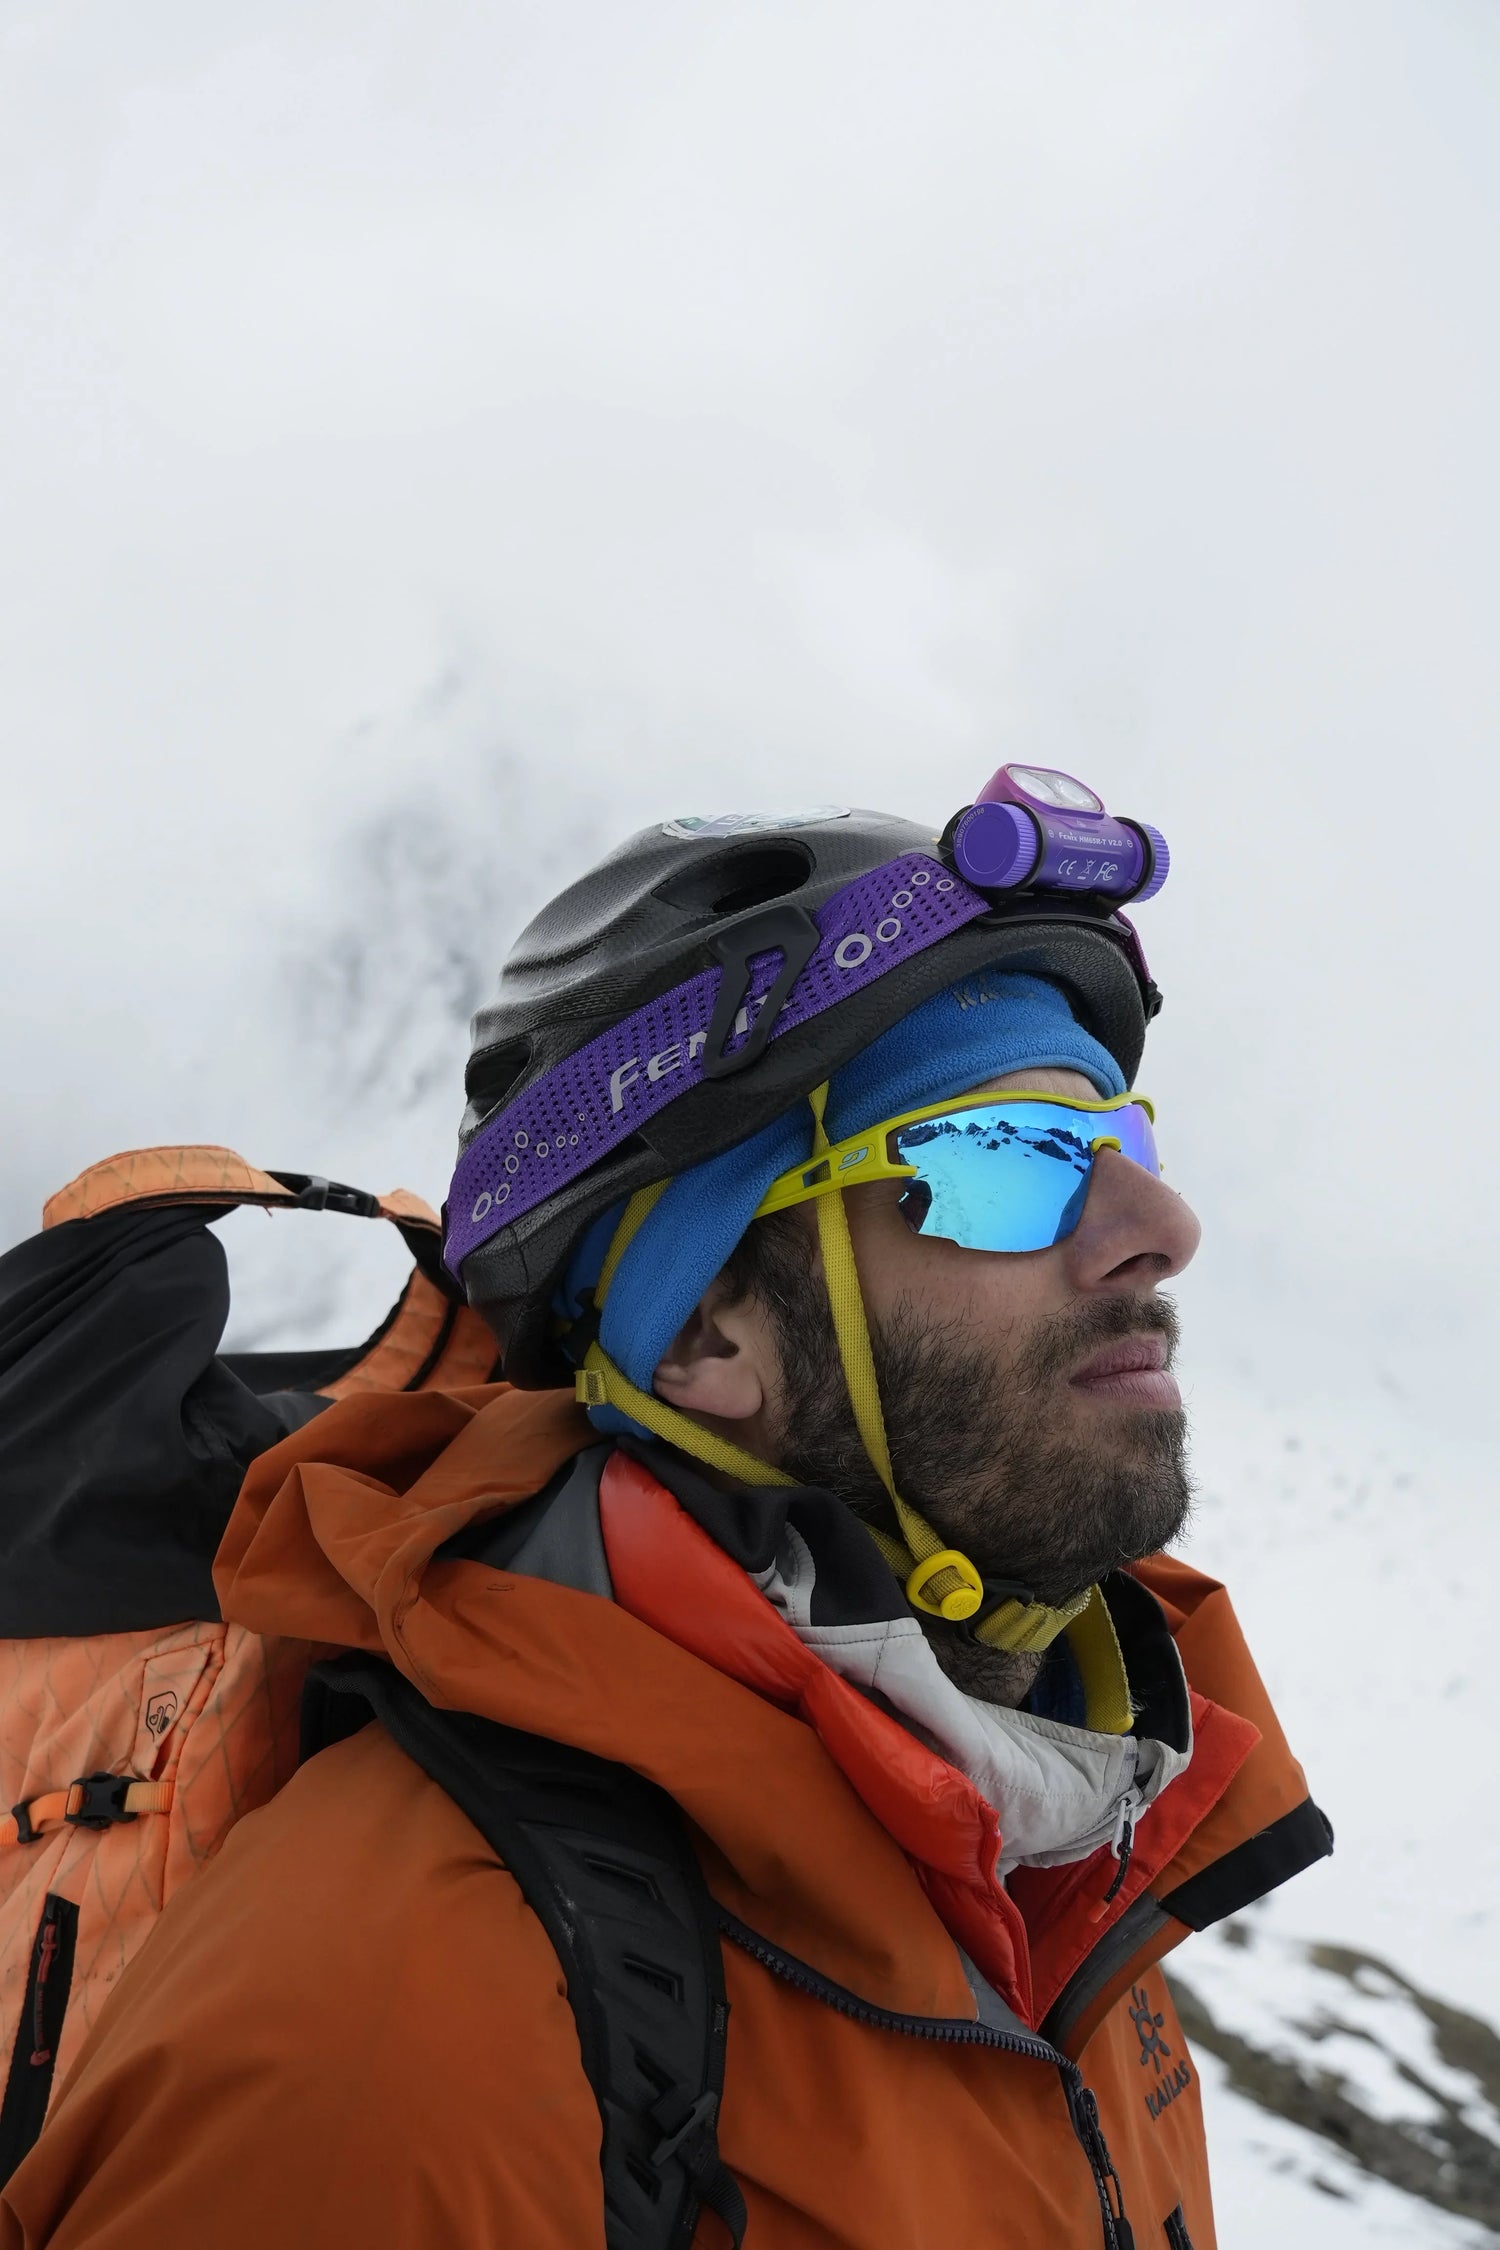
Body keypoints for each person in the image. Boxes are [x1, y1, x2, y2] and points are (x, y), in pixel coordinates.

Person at [0, 793, 1330, 2249]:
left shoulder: (1069, 1866)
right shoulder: (409, 2031)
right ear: (706, 1329)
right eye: (1006, 1158)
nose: (1163, 1220)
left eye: (1122, 1132)